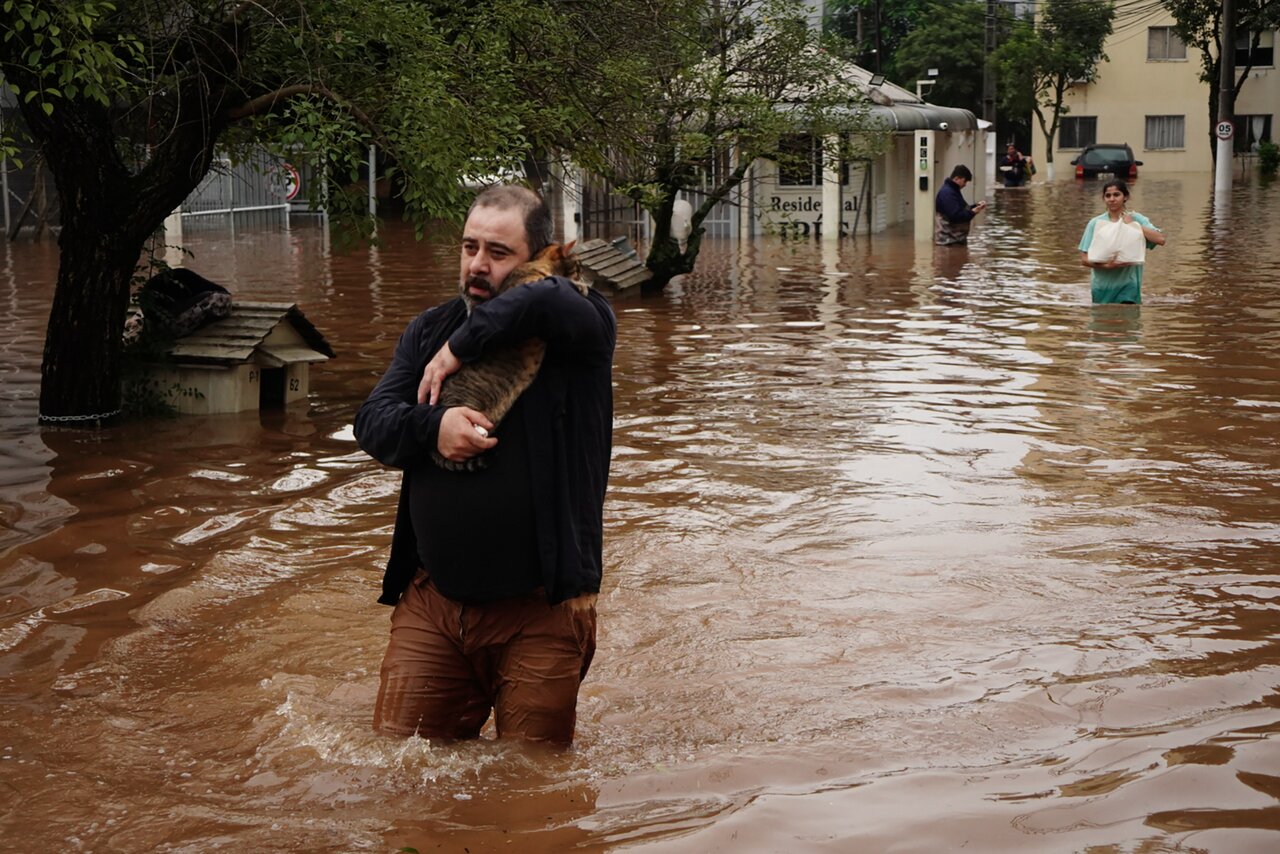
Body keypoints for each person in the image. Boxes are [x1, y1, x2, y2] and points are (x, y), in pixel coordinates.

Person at [353, 184, 617, 745]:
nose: (477, 265)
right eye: (469, 247)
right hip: (433, 602)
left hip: (541, 610)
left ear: (540, 259)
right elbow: (372, 424)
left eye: (498, 253)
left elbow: (546, 301)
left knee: (532, 792)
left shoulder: (581, 328)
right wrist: (434, 428)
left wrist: (458, 351)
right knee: (396, 775)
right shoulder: (428, 328)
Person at [1078, 179, 1165, 304]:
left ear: (1126, 197)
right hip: (1102, 288)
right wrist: (1107, 266)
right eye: (1108, 195)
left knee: (1128, 321)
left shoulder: (1136, 219)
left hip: (1129, 288)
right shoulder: (1095, 223)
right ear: (1103, 199)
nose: (1112, 199)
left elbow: (1160, 239)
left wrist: (1133, 225)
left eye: (1116, 194)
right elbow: (1084, 259)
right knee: (1103, 322)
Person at [934, 164, 987, 245]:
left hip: (953, 241)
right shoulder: (948, 193)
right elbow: (956, 216)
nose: (965, 184)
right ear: (956, 178)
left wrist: (975, 206)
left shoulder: (952, 191)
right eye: (964, 181)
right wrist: (973, 212)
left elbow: (960, 209)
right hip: (949, 242)